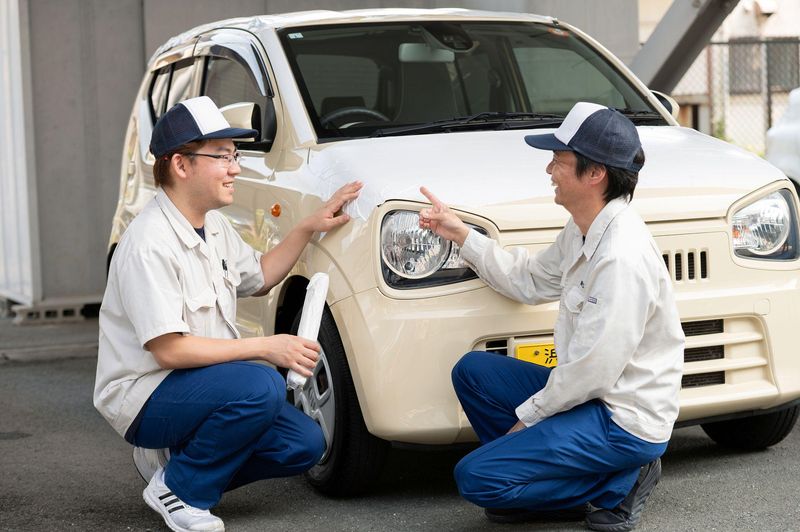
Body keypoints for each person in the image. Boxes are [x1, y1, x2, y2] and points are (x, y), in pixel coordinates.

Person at [94, 96, 362, 532]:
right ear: (181, 165)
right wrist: (266, 347)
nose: (235, 167)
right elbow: (168, 351)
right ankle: (183, 493)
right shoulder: (148, 244)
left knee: (305, 443)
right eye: (222, 156)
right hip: (146, 394)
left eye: (234, 155)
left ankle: (175, 472)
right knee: (259, 384)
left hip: (197, 386)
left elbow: (258, 276)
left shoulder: (211, 224)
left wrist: (307, 227)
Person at [418, 101, 684, 532]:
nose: (549, 170)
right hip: (593, 397)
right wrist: (461, 235)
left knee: (476, 479)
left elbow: (590, 371)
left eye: (559, 161)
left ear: (595, 173)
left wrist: (528, 419)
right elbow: (530, 281)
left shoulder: (621, 257)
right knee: (473, 372)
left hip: (621, 420)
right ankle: (543, 481)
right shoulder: (583, 228)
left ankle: (618, 482)